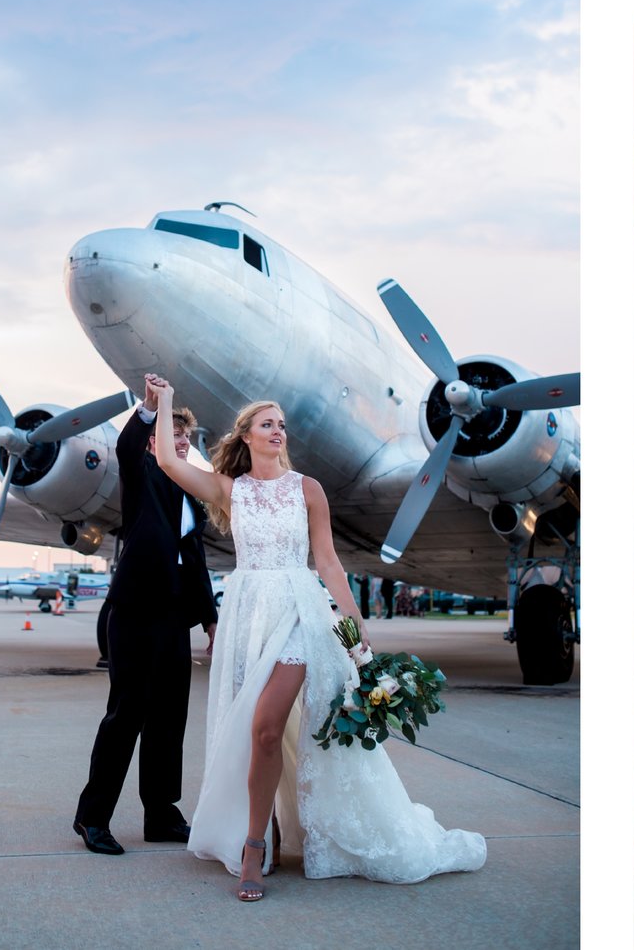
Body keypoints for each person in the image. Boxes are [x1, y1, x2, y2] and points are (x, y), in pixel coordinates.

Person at [145, 378, 485, 899]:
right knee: (257, 734)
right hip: (247, 614)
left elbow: (327, 562)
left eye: (282, 425)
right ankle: (273, 831)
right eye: (267, 424)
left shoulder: (307, 489)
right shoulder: (230, 490)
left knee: (264, 727)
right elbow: (168, 463)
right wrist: (165, 402)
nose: (278, 431)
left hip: (300, 613)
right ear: (246, 437)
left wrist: (356, 633)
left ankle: (253, 849)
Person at [72, 387, 216, 856]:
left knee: (170, 719)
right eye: (169, 435)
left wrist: (210, 620)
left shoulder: (190, 495)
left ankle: (161, 814)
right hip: (134, 612)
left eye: (185, 438)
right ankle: (93, 818)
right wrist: (152, 408)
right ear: (152, 441)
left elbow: (195, 561)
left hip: (174, 617)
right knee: (126, 715)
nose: (179, 443)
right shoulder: (140, 472)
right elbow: (126, 446)